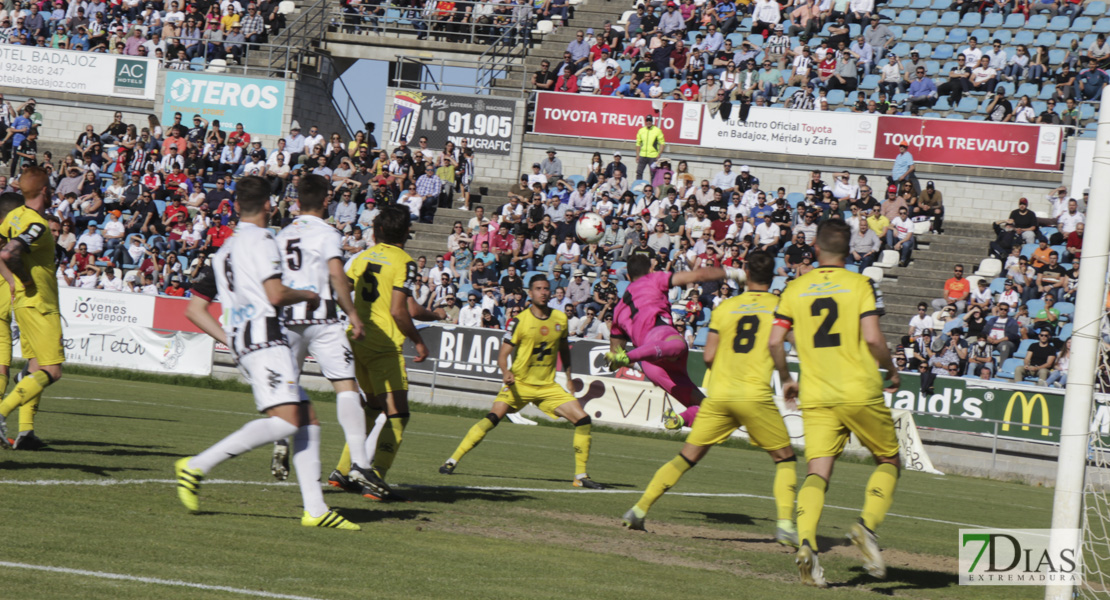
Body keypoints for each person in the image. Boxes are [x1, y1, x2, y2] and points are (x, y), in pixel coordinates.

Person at [175, 176, 358, 530]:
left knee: (308, 420)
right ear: (270, 207)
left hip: (249, 340)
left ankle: (316, 510)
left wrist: (231, 340)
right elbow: (275, 295)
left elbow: (194, 310)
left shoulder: (225, 250)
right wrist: (309, 295)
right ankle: (196, 466)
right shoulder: (262, 240)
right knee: (286, 421)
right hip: (266, 339)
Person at [621, 251, 799, 546]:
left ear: (746, 272)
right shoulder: (780, 308)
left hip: (720, 395)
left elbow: (708, 356)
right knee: (785, 459)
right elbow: (788, 341)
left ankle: (639, 510)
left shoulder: (726, 307)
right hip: (754, 395)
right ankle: (784, 525)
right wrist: (786, 376)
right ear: (774, 276)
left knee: (686, 457)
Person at [769, 219, 901, 587]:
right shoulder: (860, 284)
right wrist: (891, 370)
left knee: (817, 472)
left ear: (814, 248)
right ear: (849, 250)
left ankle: (808, 545)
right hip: (858, 389)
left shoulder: (796, 288)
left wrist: (785, 378)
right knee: (889, 459)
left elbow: (775, 341)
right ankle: (866, 528)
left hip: (817, 394)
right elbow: (873, 339)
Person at [261, 173, 385, 498]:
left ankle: (278, 441)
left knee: (288, 385)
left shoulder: (282, 233)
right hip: (323, 317)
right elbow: (336, 275)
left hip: (288, 318)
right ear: (327, 200)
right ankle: (359, 463)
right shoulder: (328, 233)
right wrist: (354, 314)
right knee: (346, 385)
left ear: (297, 200)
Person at [439, 277, 606, 489]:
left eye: (546, 289)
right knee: (491, 419)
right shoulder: (520, 321)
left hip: (547, 387)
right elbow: (503, 353)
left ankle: (580, 476)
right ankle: (452, 460)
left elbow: (564, 351)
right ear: (531, 293)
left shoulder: (560, 319)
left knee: (583, 420)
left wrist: (570, 379)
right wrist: (505, 371)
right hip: (519, 384)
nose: (543, 292)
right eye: (538, 289)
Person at [332, 205, 444, 499]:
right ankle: (376, 477)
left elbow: (343, 292)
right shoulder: (405, 262)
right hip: (383, 346)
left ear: (376, 230)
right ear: (407, 232)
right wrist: (419, 341)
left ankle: (343, 472)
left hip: (356, 340)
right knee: (399, 413)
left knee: (371, 407)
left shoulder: (362, 257)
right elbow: (399, 311)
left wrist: (432, 315)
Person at [604, 254, 746, 429]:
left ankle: (679, 420)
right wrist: (730, 273)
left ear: (627, 277)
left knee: (708, 409)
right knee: (679, 345)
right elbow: (698, 276)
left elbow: (613, 358)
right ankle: (632, 357)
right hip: (661, 336)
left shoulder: (618, 311)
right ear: (650, 269)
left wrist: (621, 359)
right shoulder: (654, 278)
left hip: (652, 365)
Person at [0, 167, 65, 450]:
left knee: (35, 365)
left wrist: (11, 279)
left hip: (23, 304)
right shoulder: (37, 224)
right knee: (52, 370)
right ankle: (2, 413)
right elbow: (8, 252)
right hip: (39, 303)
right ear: (45, 191)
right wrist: (22, 279)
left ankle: (26, 432)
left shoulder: (14, 216)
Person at [635, 114, 665, 180]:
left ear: (652, 122)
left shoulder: (657, 130)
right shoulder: (641, 130)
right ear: (645, 122)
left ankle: (652, 189)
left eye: (650, 121)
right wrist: (637, 155)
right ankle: (638, 187)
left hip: (653, 156)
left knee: (653, 174)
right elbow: (638, 144)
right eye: (647, 121)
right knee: (639, 172)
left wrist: (659, 154)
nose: (648, 122)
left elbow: (662, 143)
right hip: (642, 155)